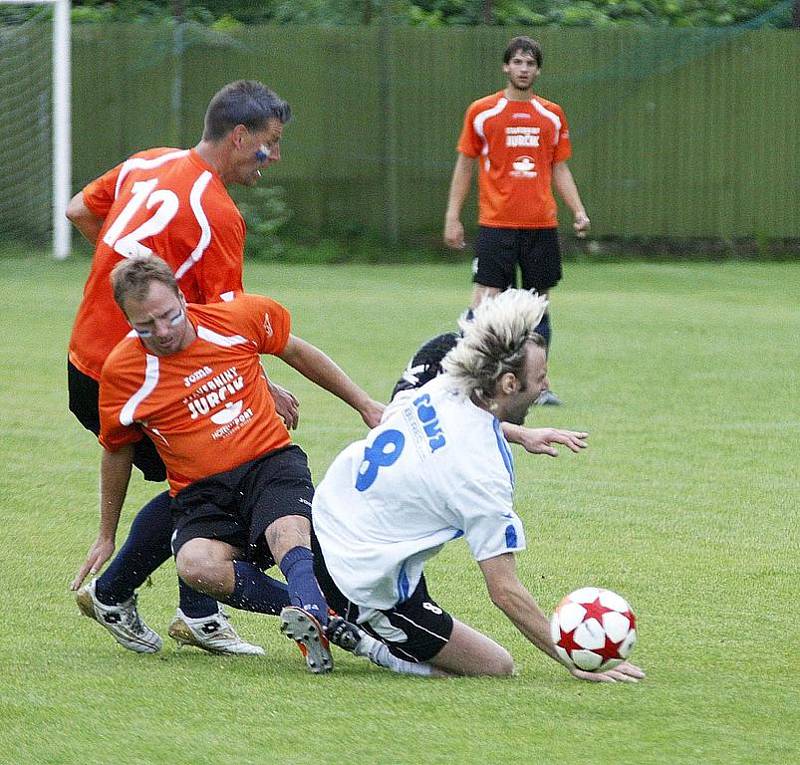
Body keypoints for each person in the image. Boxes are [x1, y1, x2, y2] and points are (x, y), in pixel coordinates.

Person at [67, 80, 300, 656]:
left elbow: (79, 210)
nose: (274, 156)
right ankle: (117, 592)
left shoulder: (148, 161)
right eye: (270, 144)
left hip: (84, 358)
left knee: (203, 477)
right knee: (211, 479)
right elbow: (227, 327)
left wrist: (125, 282)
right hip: (134, 372)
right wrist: (264, 387)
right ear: (240, 136)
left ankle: (196, 611)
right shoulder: (216, 213)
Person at [72, 254, 383, 673]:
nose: (162, 332)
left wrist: (364, 404)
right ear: (126, 319)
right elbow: (117, 449)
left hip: (269, 464)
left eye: (169, 316)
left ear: (183, 297)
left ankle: (321, 612)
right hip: (201, 494)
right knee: (195, 565)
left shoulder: (237, 319)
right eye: (145, 326)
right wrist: (105, 534)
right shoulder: (124, 372)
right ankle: (316, 614)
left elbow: (296, 351)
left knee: (288, 531)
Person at [313, 289, 644, 682]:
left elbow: (462, 432)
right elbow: (504, 591)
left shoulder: (445, 387)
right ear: (507, 383)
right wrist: (573, 657)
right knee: (494, 665)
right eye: (540, 378)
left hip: (324, 520)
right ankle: (363, 639)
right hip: (358, 581)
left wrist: (519, 434)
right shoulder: (482, 475)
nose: (546, 385)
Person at [443, 36, 591, 407]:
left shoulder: (552, 115)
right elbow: (465, 164)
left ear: (538, 70)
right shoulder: (482, 112)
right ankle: (471, 376)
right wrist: (452, 215)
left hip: (540, 225)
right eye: (518, 62)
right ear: (505, 67)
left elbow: (559, 167)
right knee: (486, 303)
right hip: (496, 225)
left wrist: (577, 210)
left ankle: (539, 385)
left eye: (530, 63)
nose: (524, 69)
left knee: (537, 306)